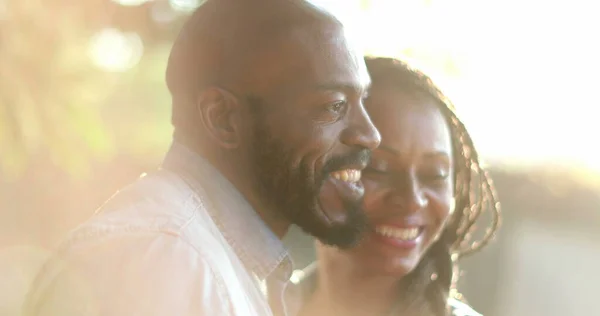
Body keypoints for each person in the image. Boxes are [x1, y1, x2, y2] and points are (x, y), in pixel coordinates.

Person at [22, 1, 380, 315]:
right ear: (222, 118)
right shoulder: (164, 262)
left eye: (363, 100)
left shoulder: (211, 260)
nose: (370, 134)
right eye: (334, 106)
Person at [294, 57, 501, 316]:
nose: (413, 199)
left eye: (434, 175)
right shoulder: (249, 303)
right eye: (378, 168)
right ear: (313, 170)